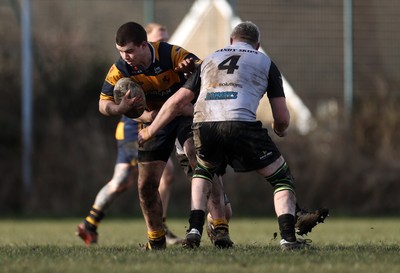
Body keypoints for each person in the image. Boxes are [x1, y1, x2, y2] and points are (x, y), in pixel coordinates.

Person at [138, 21, 326, 250]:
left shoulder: (210, 58)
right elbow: (282, 117)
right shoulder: (264, 61)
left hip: (205, 125)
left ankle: (194, 231)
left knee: (204, 171)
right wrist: (281, 128)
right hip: (241, 125)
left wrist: (150, 130)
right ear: (257, 45)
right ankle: (288, 238)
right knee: (281, 179)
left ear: (230, 41)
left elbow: (177, 101)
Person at [96, 21, 229, 250]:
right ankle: (156, 240)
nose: (125, 56)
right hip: (154, 120)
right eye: (121, 52)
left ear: (144, 45)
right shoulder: (120, 69)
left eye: (129, 51)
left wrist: (190, 67)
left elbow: (202, 68)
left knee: (198, 159)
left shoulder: (171, 54)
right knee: (146, 184)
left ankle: (220, 229)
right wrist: (121, 109)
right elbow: (102, 104)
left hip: (184, 115)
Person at [75, 22, 183, 246]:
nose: (164, 43)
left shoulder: (167, 60)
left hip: (146, 126)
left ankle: (89, 224)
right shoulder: (128, 66)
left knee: (121, 181)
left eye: (166, 38)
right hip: (133, 128)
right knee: (165, 172)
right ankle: (159, 226)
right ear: (146, 42)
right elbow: (105, 104)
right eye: (159, 39)